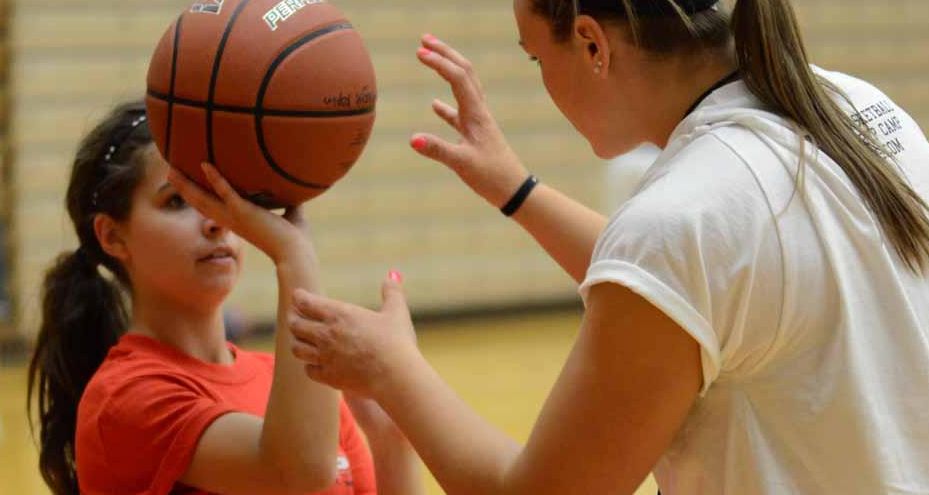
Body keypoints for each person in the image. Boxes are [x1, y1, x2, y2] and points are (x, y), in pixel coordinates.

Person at [284, 0, 929, 493]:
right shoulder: (854, 105)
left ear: (592, 42)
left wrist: (393, 370)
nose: (541, 78)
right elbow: (711, 294)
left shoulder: (684, 218)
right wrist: (518, 192)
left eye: (537, 57)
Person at [26, 101, 422, 495]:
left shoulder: (299, 383)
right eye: (178, 201)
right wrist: (295, 257)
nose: (218, 221)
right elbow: (296, 473)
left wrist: (392, 439)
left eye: (221, 196)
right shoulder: (125, 397)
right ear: (112, 236)